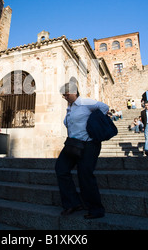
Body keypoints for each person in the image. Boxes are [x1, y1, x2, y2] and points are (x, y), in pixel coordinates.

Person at [55, 82, 109, 219]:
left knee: (85, 175)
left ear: (74, 91)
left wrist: (93, 124)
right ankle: (72, 203)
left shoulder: (85, 102)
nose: (65, 96)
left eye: (66, 93)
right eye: (63, 95)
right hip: (73, 144)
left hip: (89, 144)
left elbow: (104, 107)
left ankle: (96, 209)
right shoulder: (70, 108)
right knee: (61, 169)